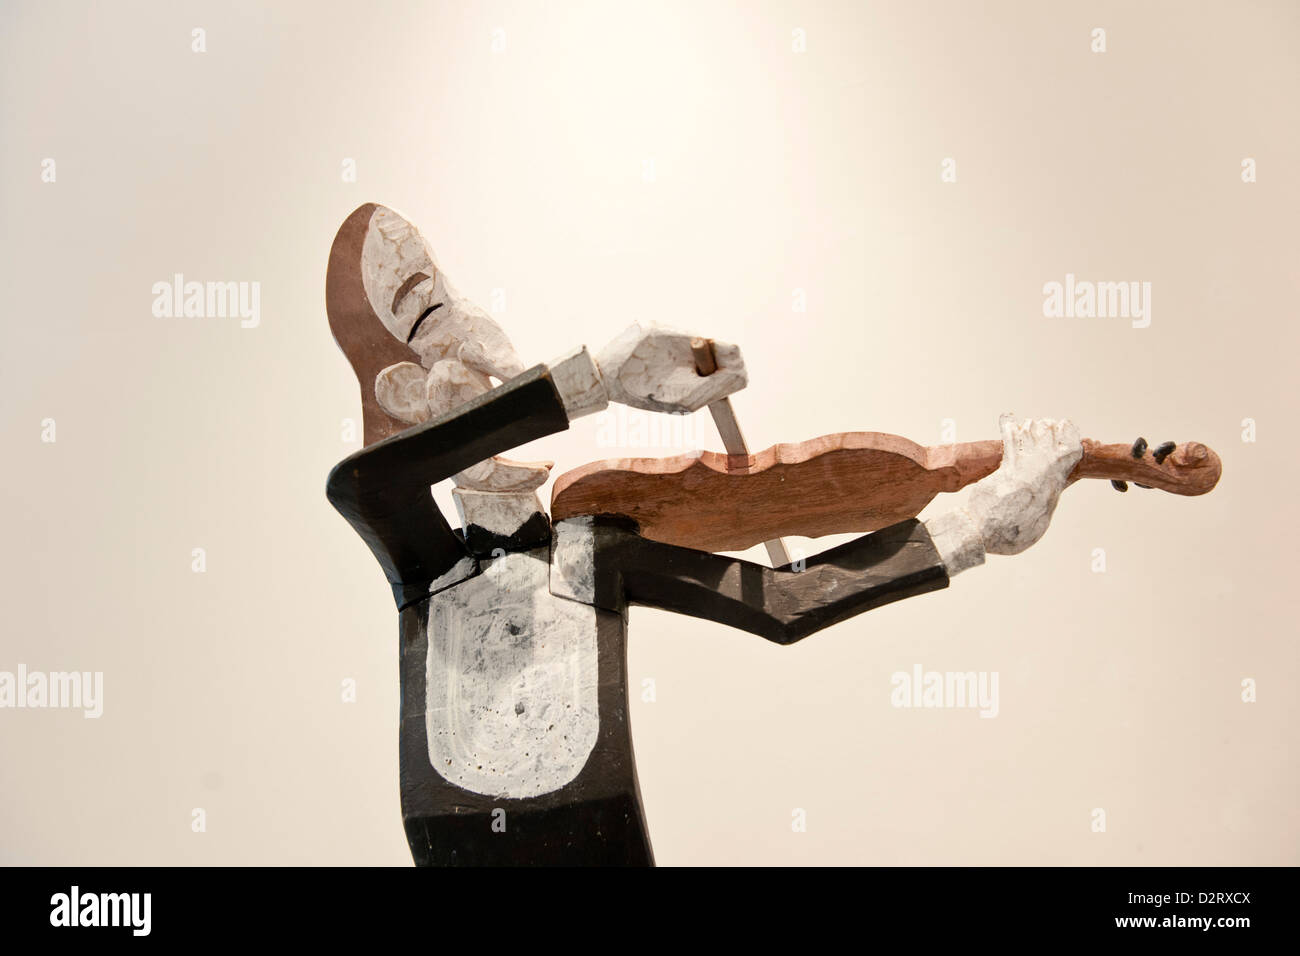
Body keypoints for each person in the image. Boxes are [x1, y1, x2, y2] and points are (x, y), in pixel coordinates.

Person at [326, 203, 1081, 865]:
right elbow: (365, 481)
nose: (484, 372)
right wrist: (593, 379)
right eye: (447, 371)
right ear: (402, 400)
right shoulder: (424, 569)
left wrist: (983, 523)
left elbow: (785, 602)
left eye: (492, 371)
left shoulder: (589, 555)